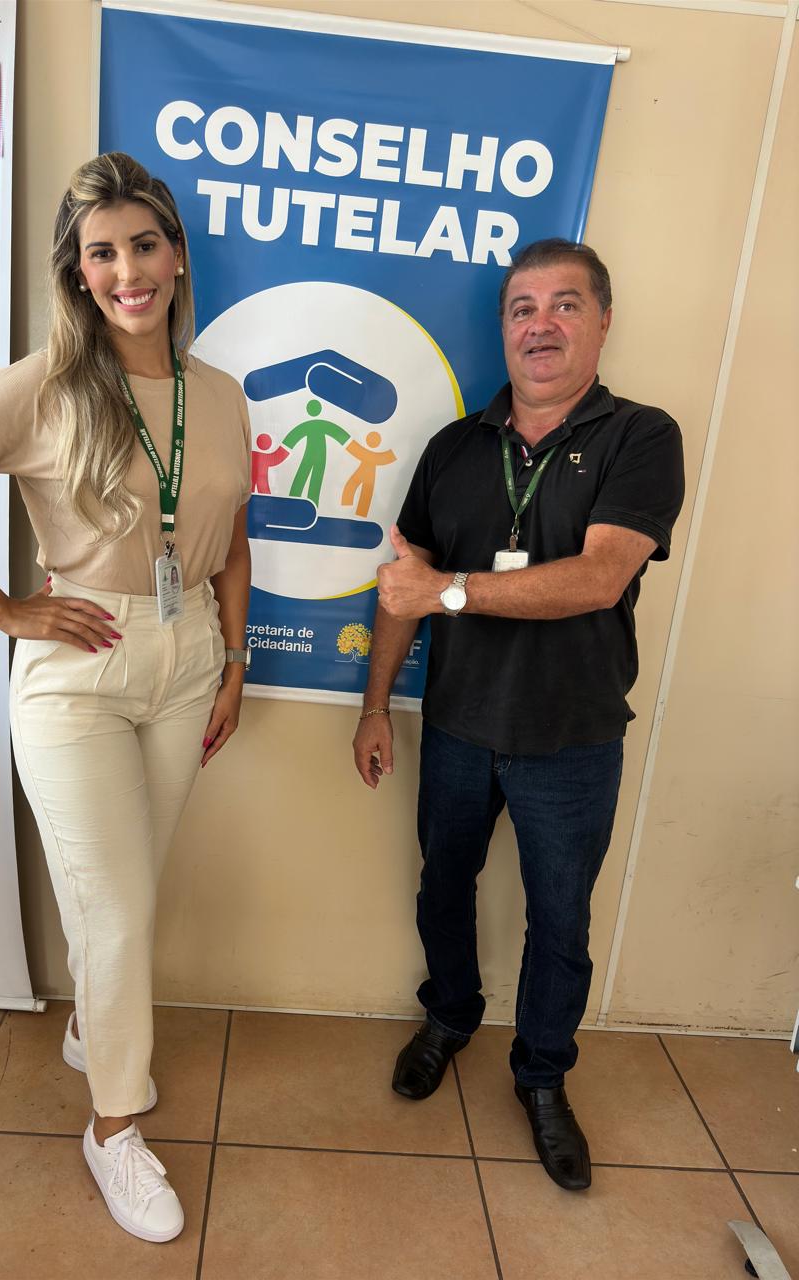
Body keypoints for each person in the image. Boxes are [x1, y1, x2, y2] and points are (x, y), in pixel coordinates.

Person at [0, 153, 252, 1241]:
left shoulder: (222, 393)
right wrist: (2, 607)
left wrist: (233, 661)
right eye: (103, 253)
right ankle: (114, 1127)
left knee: (127, 889)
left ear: (177, 256)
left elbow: (233, 538)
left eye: (145, 245)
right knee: (116, 907)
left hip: (187, 658)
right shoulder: (44, 383)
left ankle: (92, 1025)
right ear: (78, 272)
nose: (128, 271)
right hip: (78, 667)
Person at [352, 239, 684, 1192]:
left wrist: (450, 593)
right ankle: (449, 1016)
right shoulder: (454, 447)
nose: (541, 325)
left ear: (603, 321)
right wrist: (375, 705)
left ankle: (541, 1077)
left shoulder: (641, 436)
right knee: (442, 887)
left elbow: (599, 576)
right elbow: (403, 584)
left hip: (572, 738)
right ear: (502, 329)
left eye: (565, 305)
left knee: (560, 924)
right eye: (522, 308)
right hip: (458, 726)